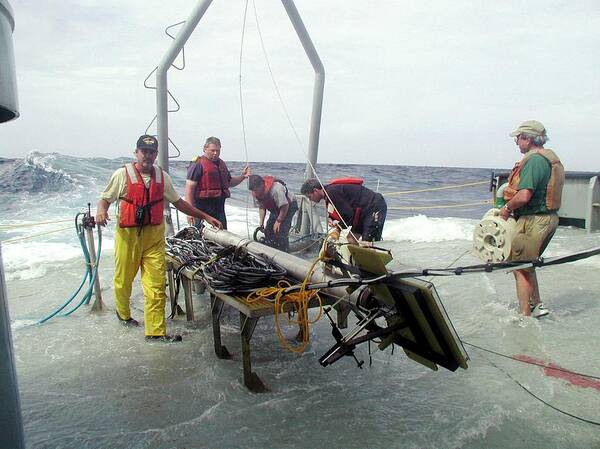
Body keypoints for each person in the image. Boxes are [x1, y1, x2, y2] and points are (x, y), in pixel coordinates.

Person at [96, 135, 223, 342]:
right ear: (136, 152)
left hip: (154, 238)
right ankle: (123, 313)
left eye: (151, 152)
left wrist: (206, 217)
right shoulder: (122, 174)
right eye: (143, 151)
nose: (147, 156)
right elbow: (105, 199)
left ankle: (155, 332)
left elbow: (179, 203)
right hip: (128, 238)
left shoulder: (162, 177)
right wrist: (101, 212)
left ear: (156, 155)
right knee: (123, 281)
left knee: (156, 286)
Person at [499, 120, 565, 318]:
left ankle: (524, 315)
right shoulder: (549, 158)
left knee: (518, 267)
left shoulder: (535, 161)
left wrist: (506, 209)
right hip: (549, 219)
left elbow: (524, 195)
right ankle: (537, 305)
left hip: (534, 221)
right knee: (527, 265)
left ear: (527, 138)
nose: (516, 142)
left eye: (518, 138)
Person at [184, 136, 250, 229]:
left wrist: (243, 176)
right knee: (202, 237)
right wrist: (189, 212)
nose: (215, 153)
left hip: (219, 209)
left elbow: (229, 182)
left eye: (218, 151)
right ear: (204, 149)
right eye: (212, 150)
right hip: (202, 208)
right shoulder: (198, 164)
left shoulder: (221, 164)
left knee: (222, 237)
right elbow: (189, 189)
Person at [300, 177, 387, 244]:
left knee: (367, 242)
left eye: (309, 197)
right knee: (351, 238)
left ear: (315, 190)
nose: (310, 200)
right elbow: (338, 211)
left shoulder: (331, 192)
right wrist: (332, 219)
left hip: (374, 206)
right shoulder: (328, 194)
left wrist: (338, 229)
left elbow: (348, 214)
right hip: (361, 212)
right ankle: (353, 262)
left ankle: (370, 264)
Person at [248, 174, 298, 252]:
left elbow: (285, 206)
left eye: (256, 190)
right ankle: (271, 248)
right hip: (275, 208)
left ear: (262, 185)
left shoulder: (276, 189)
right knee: (268, 230)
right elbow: (261, 207)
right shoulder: (255, 193)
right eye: (253, 190)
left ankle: (284, 252)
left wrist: (279, 221)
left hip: (289, 205)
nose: (255, 192)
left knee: (281, 231)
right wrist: (261, 223)